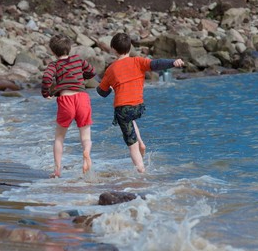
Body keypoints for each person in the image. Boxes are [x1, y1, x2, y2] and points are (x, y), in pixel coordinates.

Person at [96, 32, 184, 173]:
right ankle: (141, 143)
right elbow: (156, 64)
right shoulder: (138, 61)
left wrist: (110, 86)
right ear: (130, 47)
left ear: (112, 49)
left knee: (132, 145)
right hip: (138, 106)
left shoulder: (111, 69)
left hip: (123, 108)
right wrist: (172, 62)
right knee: (131, 120)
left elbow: (102, 92)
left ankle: (141, 171)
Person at [41, 34, 97, 178]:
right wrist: (81, 78)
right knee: (85, 136)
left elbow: (47, 78)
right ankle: (86, 154)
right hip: (82, 98)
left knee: (59, 137)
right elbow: (92, 71)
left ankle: (57, 170)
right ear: (69, 49)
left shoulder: (54, 65)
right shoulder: (78, 59)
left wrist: (46, 92)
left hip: (66, 100)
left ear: (53, 52)